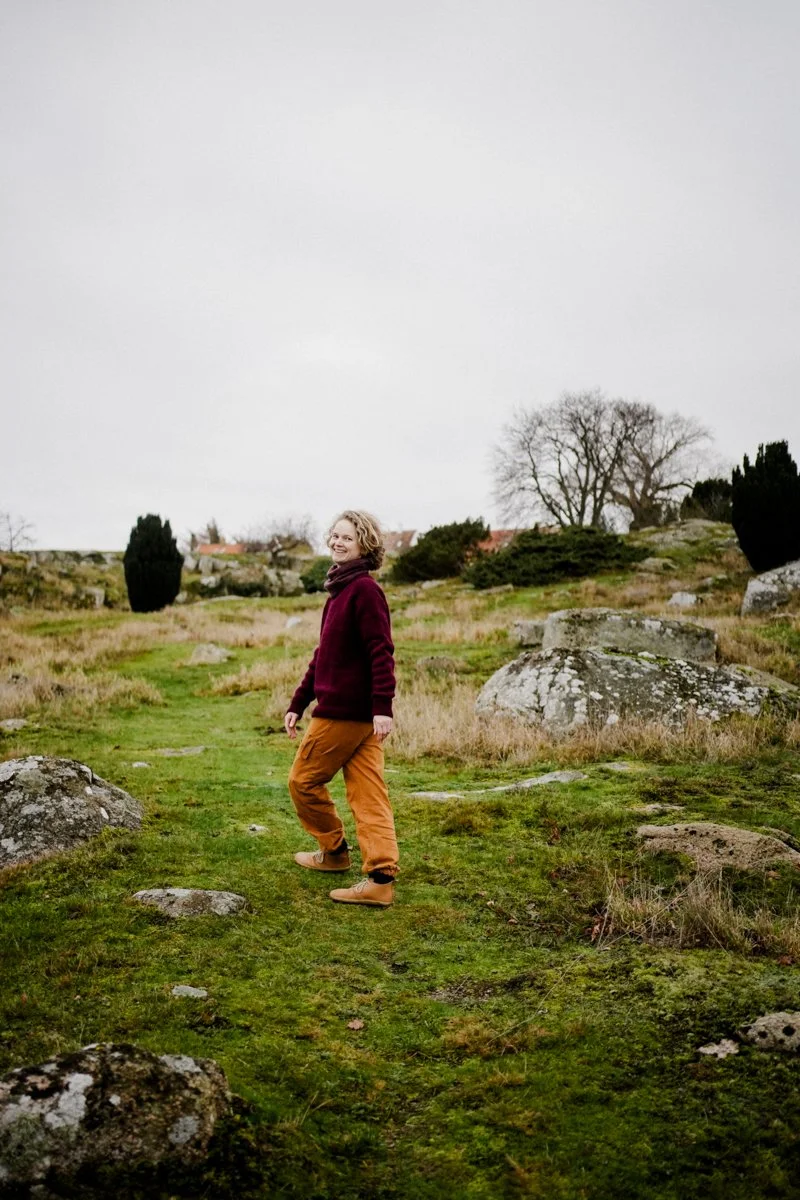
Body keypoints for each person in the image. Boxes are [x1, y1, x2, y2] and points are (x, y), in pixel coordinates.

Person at [285, 509, 399, 907]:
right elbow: (324, 656)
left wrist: (382, 706)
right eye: (334, 535)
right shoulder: (339, 591)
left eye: (346, 538)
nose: (337, 542)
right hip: (360, 716)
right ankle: (380, 880)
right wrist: (298, 701)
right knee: (369, 795)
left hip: (345, 714)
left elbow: (380, 651)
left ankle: (334, 852)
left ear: (364, 544)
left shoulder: (365, 591)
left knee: (302, 782)